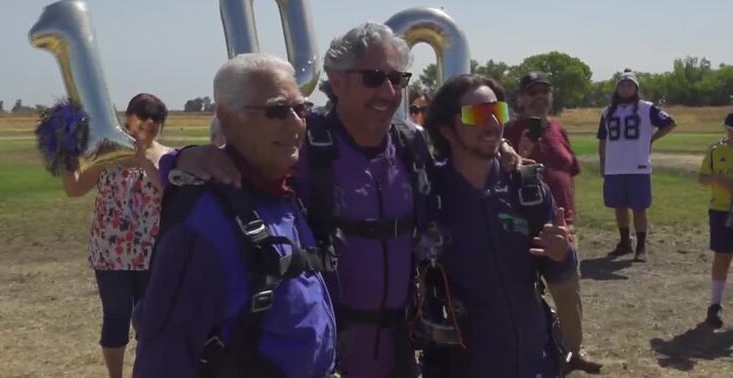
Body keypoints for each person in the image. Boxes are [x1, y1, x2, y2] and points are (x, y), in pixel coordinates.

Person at [164, 23, 522, 378]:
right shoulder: (300, 141)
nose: (388, 92)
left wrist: (505, 152)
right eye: (374, 78)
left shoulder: (412, 145)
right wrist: (183, 158)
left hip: (399, 351)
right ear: (336, 82)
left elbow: (463, 164)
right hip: (330, 356)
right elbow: (236, 159)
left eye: (397, 79)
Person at [132, 53, 337, 377]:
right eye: (276, 111)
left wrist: (178, 158)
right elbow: (163, 359)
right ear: (228, 118)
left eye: (301, 110)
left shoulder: (286, 192)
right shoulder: (205, 220)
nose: (296, 123)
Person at [422, 74, 577, 377]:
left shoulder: (527, 189)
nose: (493, 122)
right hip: (463, 365)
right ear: (446, 130)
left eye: (498, 111)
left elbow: (557, 271)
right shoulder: (428, 195)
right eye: (478, 114)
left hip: (535, 361)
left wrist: (562, 255)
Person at [60, 93, 171, 378]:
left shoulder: (168, 158)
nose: (150, 122)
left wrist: (144, 160)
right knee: (116, 317)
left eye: (157, 117)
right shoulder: (106, 154)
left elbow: (172, 195)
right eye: (143, 115)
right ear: (127, 118)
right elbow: (74, 189)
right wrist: (64, 152)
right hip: (110, 255)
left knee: (151, 319)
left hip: (153, 253)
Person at [504, 72, 602, 374]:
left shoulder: (559, 129)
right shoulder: (506, 131)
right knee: (522, 296)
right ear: (520, 98)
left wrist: (569, 216)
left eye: (545, 92)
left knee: (568, 292)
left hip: (561, 227)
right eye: (532, 92)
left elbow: (569, 172)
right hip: (521, 227)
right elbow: (497, 177)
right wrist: (521, 152)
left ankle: (573, 352)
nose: (540, 97)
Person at [597, 70, 676, 262]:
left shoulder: (647, 108)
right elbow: (603, 139)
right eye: (623, 85)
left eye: (630, 85)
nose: (626, 88)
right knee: (619, 206)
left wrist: (651, 139)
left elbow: (670, 123)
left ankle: (641, 246)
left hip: (637, 165)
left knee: (639, 207)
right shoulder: (607, 112)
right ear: (617, 88)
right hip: (614, 166)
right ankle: (625, 242)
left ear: (636, 88)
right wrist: (603, 162)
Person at [697, 113, 733, 328]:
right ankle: (715, 304)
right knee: (722, 256)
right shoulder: (716, 151)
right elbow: (702, 177)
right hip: (721, 210)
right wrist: (720, 181)